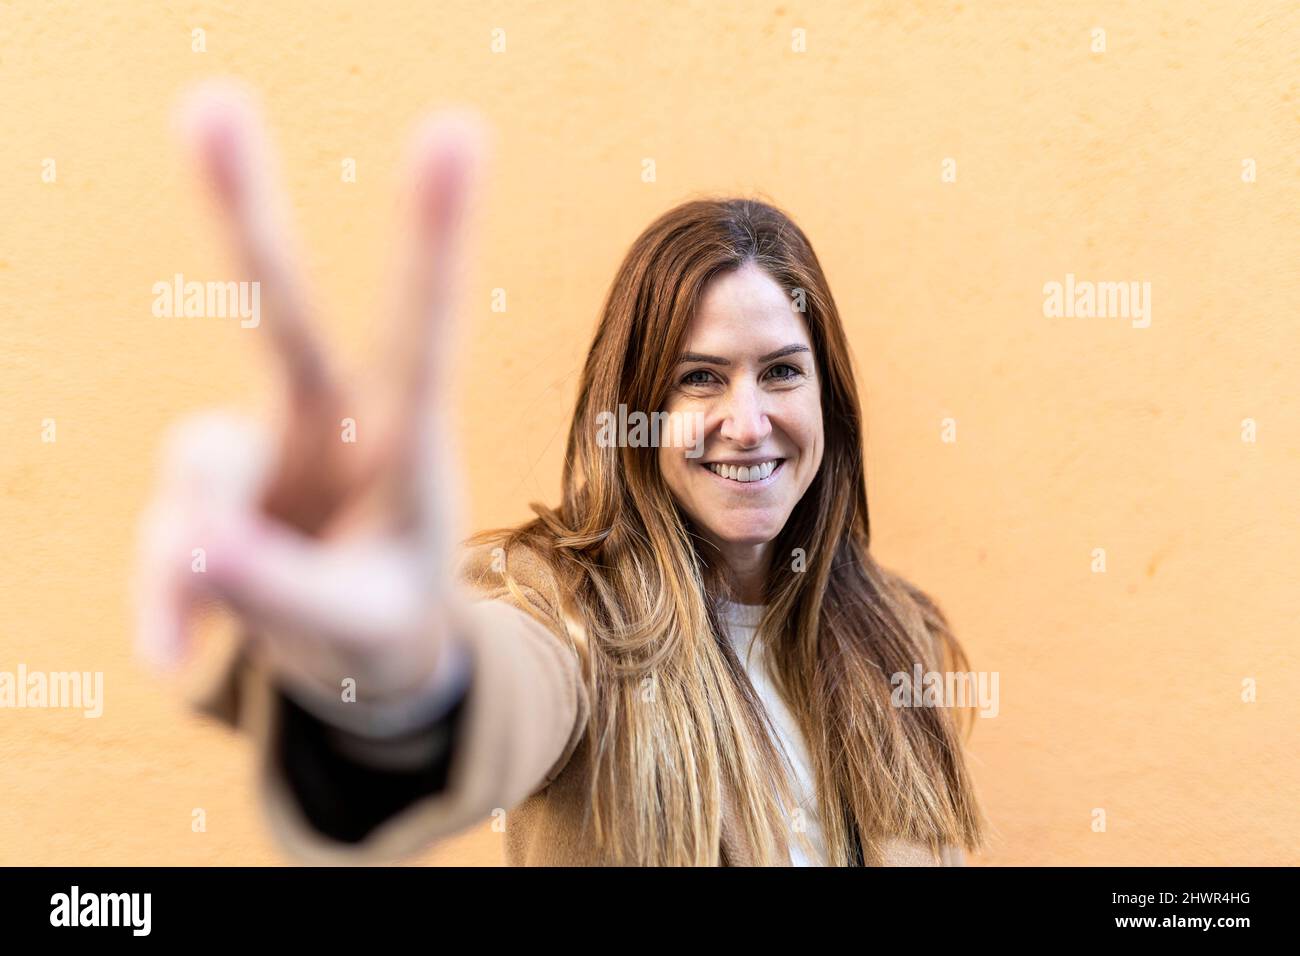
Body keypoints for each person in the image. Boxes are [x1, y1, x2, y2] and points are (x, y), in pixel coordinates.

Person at [136, 80, 987, 867]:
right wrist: (395, 685)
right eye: (699, 377)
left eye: (780, 372)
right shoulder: (570, 615)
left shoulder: (892, 635)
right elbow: (496, 698)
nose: (748, 422)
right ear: (637, 411)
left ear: (828, 396)